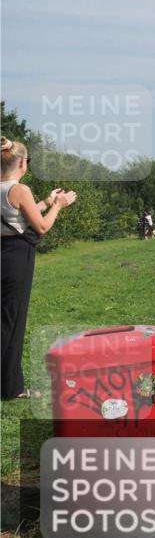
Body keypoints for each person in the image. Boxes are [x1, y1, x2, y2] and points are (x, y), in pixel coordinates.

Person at [1, 137, 77, 400]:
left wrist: (45, 202)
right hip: (17, 257)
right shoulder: (20, 190)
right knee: (12, 321)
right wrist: (58, 205)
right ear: (22, 163)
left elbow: (17, 216)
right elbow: (41, 227)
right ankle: (11, 388)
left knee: (4, 318)